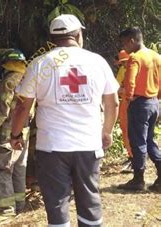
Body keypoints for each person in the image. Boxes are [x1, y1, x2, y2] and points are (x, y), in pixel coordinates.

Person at [10, 14, 119, 226]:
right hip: (88, 144)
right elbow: (113, 103)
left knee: (57, 201)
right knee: (90, 199)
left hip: (52, 147)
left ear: (52, 39)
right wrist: (106, 132)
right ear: (79, 35)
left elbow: (23, 105)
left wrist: (15, 134)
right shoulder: (97, 61)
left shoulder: (40, 64)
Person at [0, 48, 32, 216]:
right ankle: (20, 204)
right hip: (24, 130)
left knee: (2, 169)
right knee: (19, 167)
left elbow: (1, 110)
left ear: (7, 64)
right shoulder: (28, 79)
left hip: (7, 132)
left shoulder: (10, 81)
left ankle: (6, 209)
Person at [117, 27, 161, 192]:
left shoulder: (135, 57)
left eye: (124, 43)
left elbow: (130, 82)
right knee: (149, 141)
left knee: (138, 142)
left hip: (139, 104)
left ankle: (138, 180)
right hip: (154, 103)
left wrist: (128, 98)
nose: (123, 48)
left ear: (132, 41)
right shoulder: (156, 56)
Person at [116, 50, 134, 172]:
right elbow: (116, 86)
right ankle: (131, 155)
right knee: (125, 129)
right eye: (122, 63)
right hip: (125, 102)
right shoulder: (123, 70)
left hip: (136, 103)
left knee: (135, 131)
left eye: (127, 62)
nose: (125, 65)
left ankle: (136, 158)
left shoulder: (138, 68)